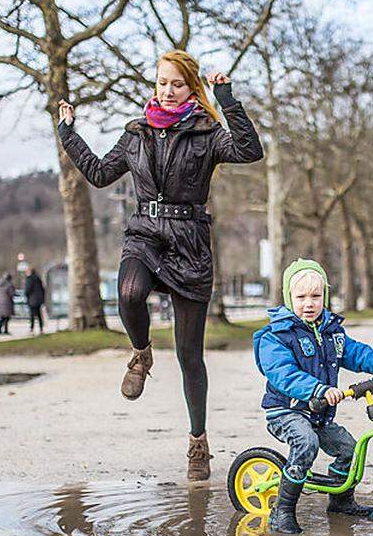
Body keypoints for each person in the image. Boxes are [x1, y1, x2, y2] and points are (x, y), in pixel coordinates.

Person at [56, 49, 263, 481]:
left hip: (190, 243)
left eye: (176, 84)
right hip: (146, 234)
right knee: (129, 293)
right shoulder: (136, 133)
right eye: (161, 83)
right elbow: (97, 173)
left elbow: (249, 149)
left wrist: (227, 99)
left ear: (191, 88)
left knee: (190, 356)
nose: (166, 92)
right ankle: (141, 355)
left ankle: (198, 443)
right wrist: (69, 133)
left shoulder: (208, 135)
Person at [253, 258, 373, 534]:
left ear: (325, 295)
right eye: (301, 297)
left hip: (319, 412)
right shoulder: (275, 337)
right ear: (289, 297)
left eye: (316, 296)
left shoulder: (331, 331)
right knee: (306, 443)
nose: (309, 303)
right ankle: (282, 511)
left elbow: (357, 353)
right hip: (286, 411)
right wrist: (318, 390)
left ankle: (340, 501)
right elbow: (283, 374)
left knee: (348, 448)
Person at [24, 267, 45, 334]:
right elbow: (42, 289)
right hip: (38, 300)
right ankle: (41, 329)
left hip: (32, 299)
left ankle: (32, 329)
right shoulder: (38, 279)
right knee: (39, 315)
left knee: (32, 315)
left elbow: (28, 289)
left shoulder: (29, 279)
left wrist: (26, 295)